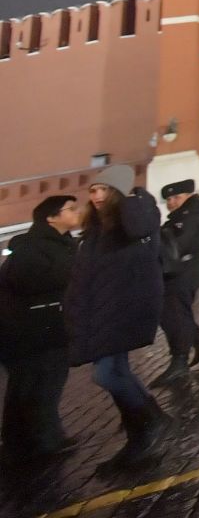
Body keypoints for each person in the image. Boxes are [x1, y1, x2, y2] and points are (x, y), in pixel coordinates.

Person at [64, 165, 170, 474]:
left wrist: (130, 198)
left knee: (106, 375)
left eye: (103, 189)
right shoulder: (98, 230)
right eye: (92, 190)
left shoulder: (134, 218)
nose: (95, 195)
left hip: (124, 309)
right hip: (104, 311)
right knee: (116, 370)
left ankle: (150, 423)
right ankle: (144, 431)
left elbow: (139, 226)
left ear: (117, 193)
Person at [0, 194, 83, 465]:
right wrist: (74, 273)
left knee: (30, 384)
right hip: (35, 328)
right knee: (43, 383)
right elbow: (28, 279)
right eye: (70, 209)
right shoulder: (33, 245)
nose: (76, 212)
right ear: (51, 217)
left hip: (46, 324)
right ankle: (44, 441)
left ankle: (24, 440)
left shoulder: (61, 243)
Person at [153, 180, 199, 385]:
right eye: (169, 199)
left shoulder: (190, 216)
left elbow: (182, 244)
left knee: (174, 315)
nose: (172, 202)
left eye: (177, 197)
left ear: (189, 196)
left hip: (182, 272)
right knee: (177, 312)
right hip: (182, 271)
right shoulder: (186, 216)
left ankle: (179, 362)